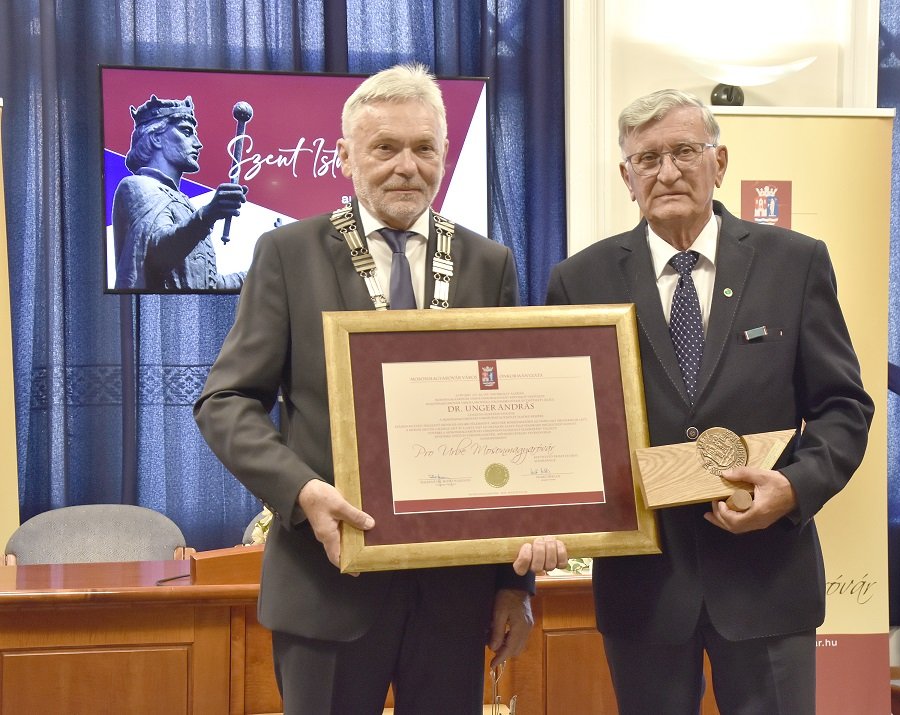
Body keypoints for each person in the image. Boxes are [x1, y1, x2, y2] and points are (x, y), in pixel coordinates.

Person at [194, 64, 565, 715]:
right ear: (345, 157)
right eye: (384, 148)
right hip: (326, 585)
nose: (406, 167)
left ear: (444, 155)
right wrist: (301, 490)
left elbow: (509, 424)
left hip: (454, 599)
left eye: (424, 148)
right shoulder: (287, 253)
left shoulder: (488, 263)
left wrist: (516, 585)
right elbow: (225, 401)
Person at [546, 89, 873, 714]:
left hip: (768, 579)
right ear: (627, 178)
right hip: (644, 584)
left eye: (684, 152)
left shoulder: (795, 262)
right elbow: (563, 425)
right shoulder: (580, 280)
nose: (666, 172)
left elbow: (843, 406)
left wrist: (795, 488)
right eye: (647, 159)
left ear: (718, 163)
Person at [113, 95, 247, 290]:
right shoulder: (138, 186)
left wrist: (262, 271)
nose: (198, 143)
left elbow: (206, 285)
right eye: (186, 131)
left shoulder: (185, 205)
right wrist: (209, 214)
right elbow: (157, 256)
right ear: (156, 137)